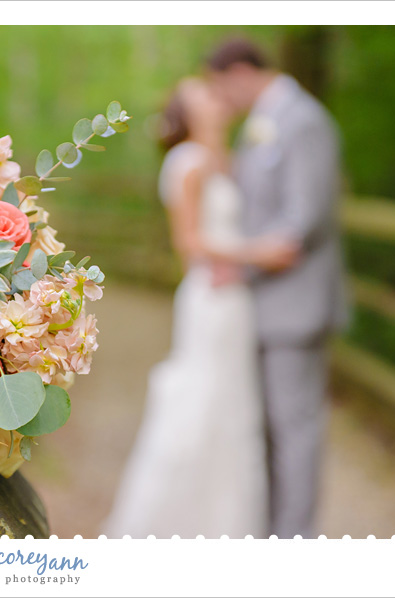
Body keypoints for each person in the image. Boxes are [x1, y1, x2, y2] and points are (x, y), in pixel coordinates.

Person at [102, 77, 297, 539]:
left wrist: (241, 263)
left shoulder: (229, 158)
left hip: (236, 297)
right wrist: (257, 254)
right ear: (188, 114)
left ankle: (229, 524)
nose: (215, 97)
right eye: (203, 95)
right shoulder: (186, 161)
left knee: (234, 401)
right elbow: (189, 242)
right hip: (210, 296)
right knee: (202, 395)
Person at [206, 38, 348, 539]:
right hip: (264, 305)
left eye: (222, 86)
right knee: (269, 429)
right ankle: (272, 534)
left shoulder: (302, 120)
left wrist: (236, 263)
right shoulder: (262, 123)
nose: (224, 98)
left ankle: (295, 542)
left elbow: (303, 220)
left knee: (295, 431)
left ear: (241, 72)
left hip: (296, 307)